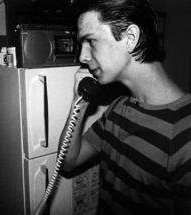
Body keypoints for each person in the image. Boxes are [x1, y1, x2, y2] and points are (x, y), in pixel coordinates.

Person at [58, 0, 191, 214]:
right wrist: (79, 102)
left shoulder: (185, 134)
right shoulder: (118, 109)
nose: (82, 56)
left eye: (91, 41)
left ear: (130, 38)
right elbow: (68, 162)